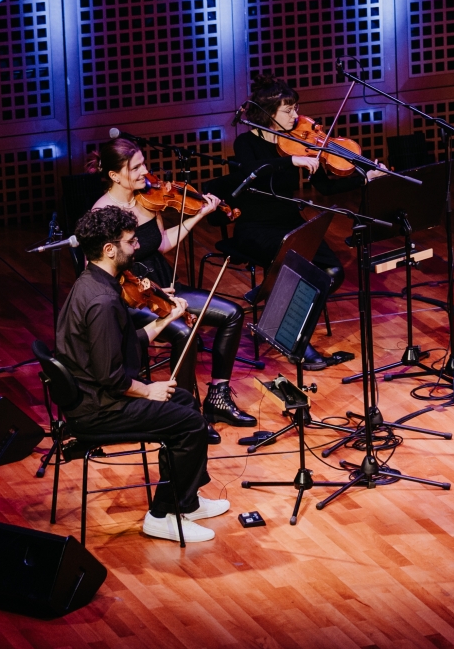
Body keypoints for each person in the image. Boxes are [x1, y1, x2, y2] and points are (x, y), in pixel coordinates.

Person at [55, 205, 229, 543]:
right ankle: (162, 514)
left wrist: (164, 320)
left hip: (99, 396)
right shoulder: (101, 302)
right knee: (190, 424)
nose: (137, 247)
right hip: (100, 409)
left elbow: (124, 343)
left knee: (184, 401)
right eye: (131, 242)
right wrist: (148, 391)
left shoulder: (93, 283)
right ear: (110, 249)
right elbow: (111, 377)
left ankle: (187, 501)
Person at [89, 138, 254, 437]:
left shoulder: (147, 198)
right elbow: (107, 274)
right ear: (114, 176)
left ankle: (217, 395)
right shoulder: (103, 214)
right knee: (183, 331)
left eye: (144, 163)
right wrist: (151, 291)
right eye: (136, 167)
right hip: (133, 301)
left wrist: (198, 216)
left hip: (167, 290)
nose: (146, 172)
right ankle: (186, 411)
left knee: (233, 313)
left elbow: (162, 243)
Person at [231, 74, 368, 371]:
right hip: (255, 229)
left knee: (332, 271)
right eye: (288, 110)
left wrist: (365, 177)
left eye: (295, 108)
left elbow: (328, 187)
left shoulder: (297, 143)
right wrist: (290, 162)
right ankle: (298, 344)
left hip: (291, 225)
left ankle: (277, 317)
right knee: (295, 269)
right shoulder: (246, 142)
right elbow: (252, 170)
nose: (297, 116)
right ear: (267, 114)